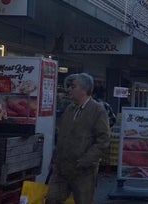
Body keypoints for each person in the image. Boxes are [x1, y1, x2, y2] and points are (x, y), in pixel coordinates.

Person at [47, 73, 111, 204]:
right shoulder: (70, 109)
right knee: (52, 199)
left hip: (83, 171)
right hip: (61, 168)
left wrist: (86, 161)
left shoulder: (97, 110)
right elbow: (62, 135)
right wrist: (55, 159)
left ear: (84, 89)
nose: (69, 89)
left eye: (73, 86)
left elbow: (103, 140)